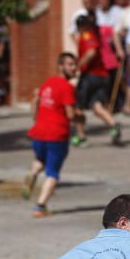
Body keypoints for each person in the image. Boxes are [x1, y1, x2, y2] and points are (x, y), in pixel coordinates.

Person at [23, 52, 81, 218]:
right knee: (53, 173)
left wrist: (36, 119)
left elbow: (35, 102)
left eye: (74, 64)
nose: (73, 67)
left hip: (39, 132)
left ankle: (32, 175)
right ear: (60, 66)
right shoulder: (67, 87)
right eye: (70, 64)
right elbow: (70, 114)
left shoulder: (47, 83)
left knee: (40, 160)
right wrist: (81, 117)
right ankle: (40, 206)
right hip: (57, 135)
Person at [73, 14, 122, 146]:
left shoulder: (87, 35)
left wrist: (78, 66)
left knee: (77, 106)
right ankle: (113, 125)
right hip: (102, 75)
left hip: (90, 75)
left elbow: (91, 52)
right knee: (96, 106)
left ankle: (81, 136)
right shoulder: (95, 34)